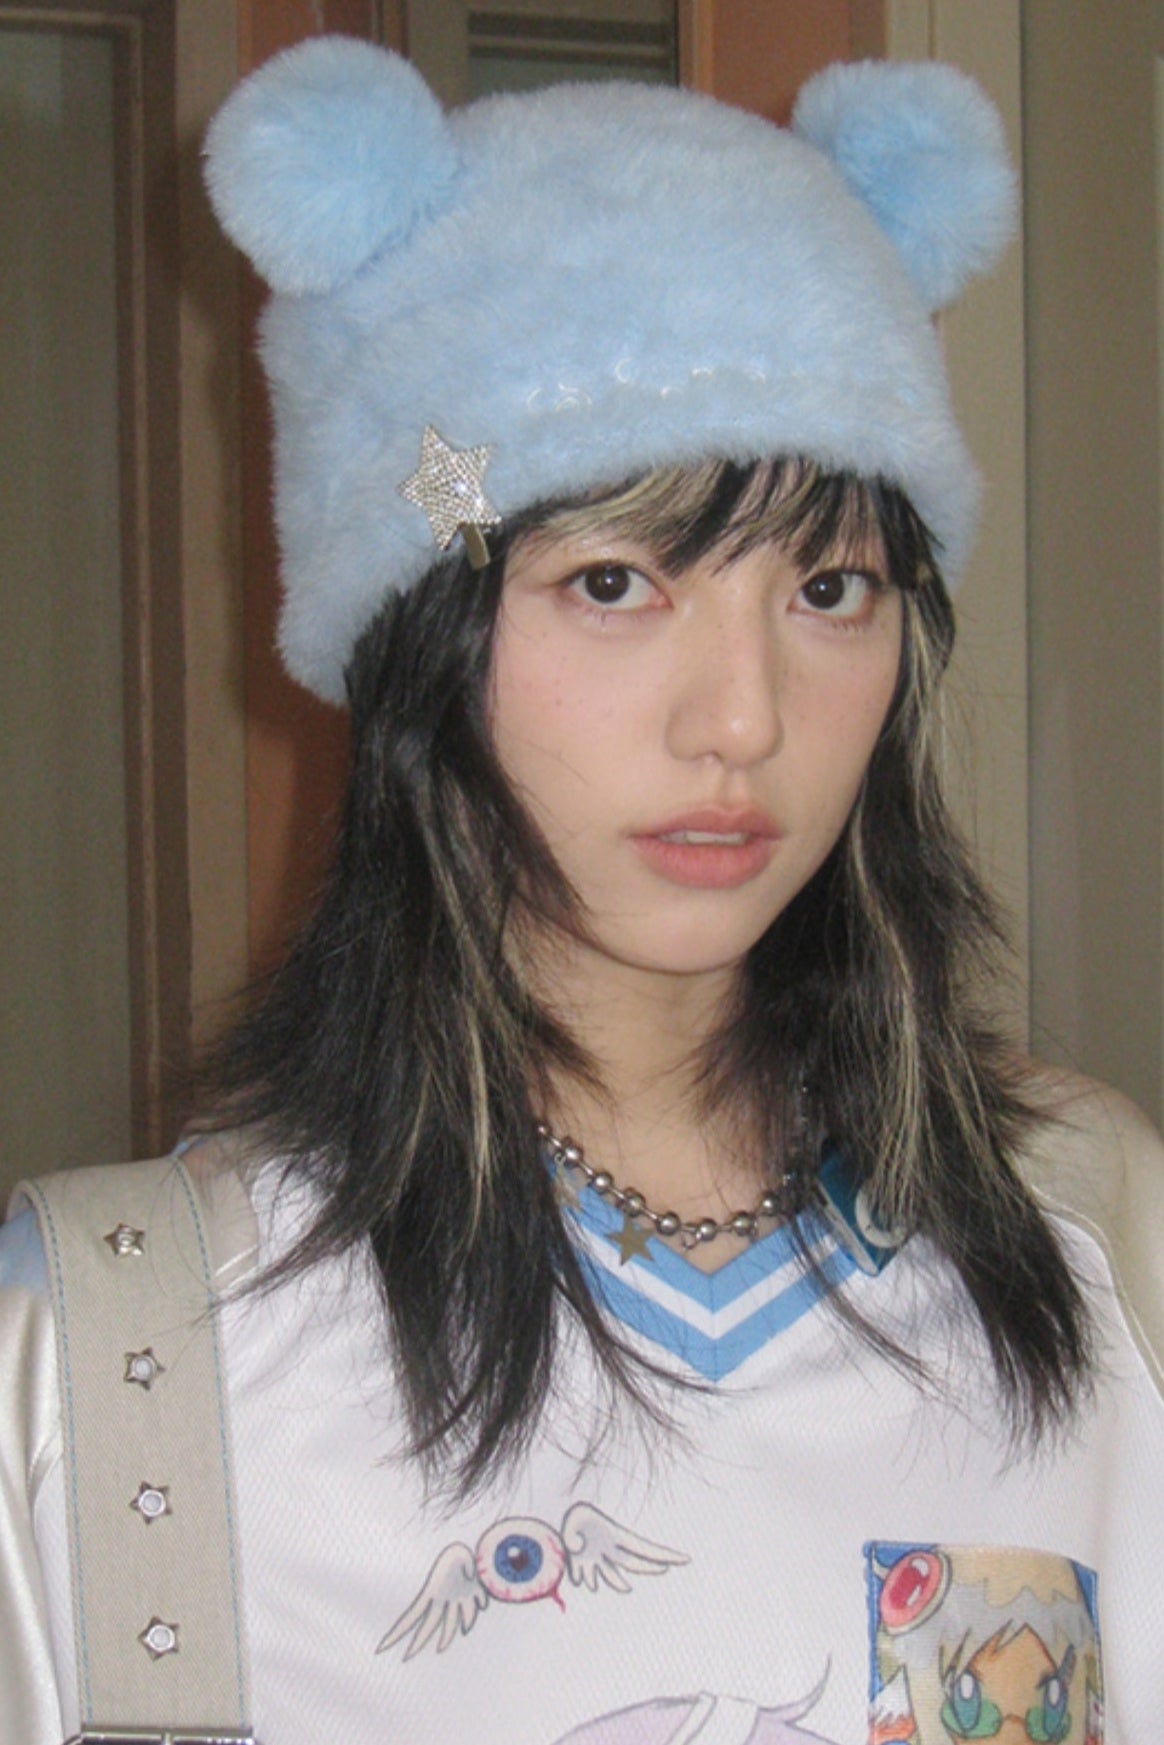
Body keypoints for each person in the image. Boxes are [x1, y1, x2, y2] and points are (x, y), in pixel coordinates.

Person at [2, 37, 1162, 1745]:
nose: (744, 719)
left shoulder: (1096, 1237)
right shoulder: (114, 1358)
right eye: (615, 582)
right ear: (417, 640)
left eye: (829, 588)